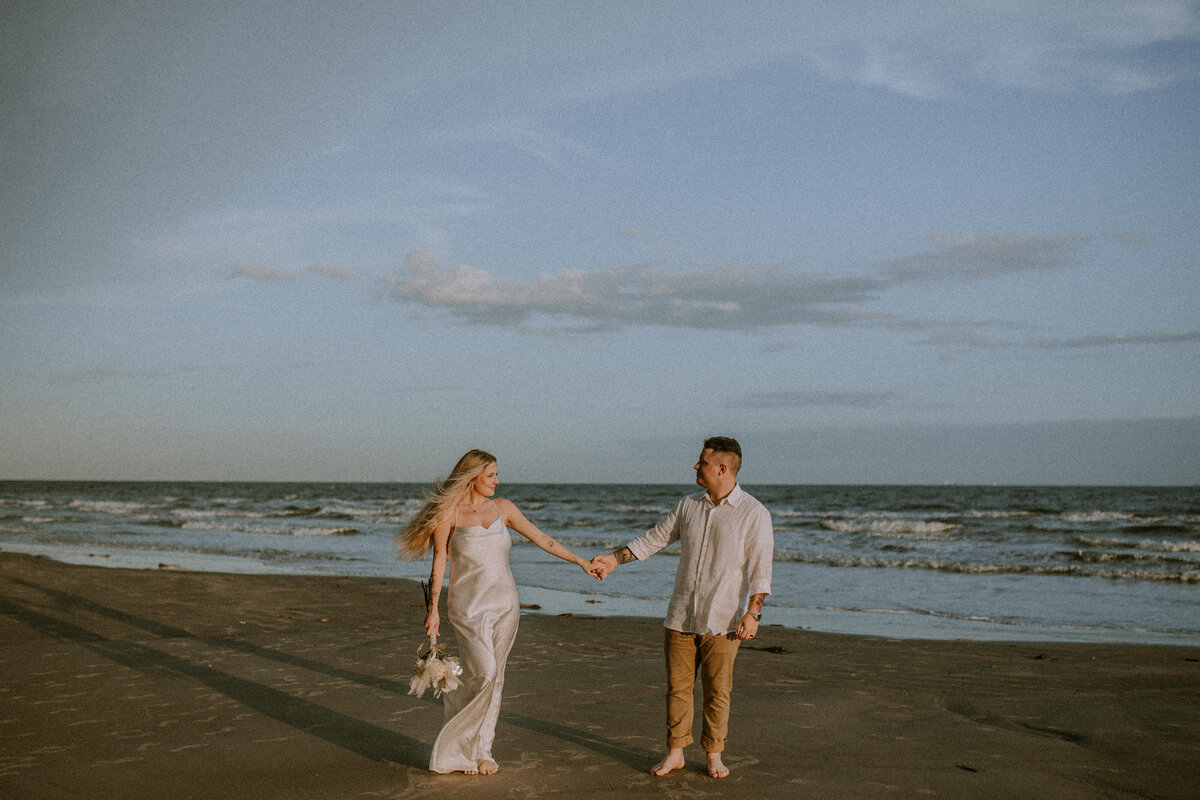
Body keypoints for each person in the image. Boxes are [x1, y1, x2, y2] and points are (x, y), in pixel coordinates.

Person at [397, 449, 603, 775]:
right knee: (486, 672)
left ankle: (483, 752)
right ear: (472, 475)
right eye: (491, 474)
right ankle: (457, 744)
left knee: (496, 677)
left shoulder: (503, 509)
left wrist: (580, 561)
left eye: (496, 474)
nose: (497, 480)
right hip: (467, 608)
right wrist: (432, 609)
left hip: (506, 605)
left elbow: (543, 539)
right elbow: (439, 563)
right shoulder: (448, 514)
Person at [591, 436, 773, 779]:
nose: (695, 466)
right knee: (677, 688)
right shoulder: (688, 505)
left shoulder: (754, 513)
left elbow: (761, 569)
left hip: (725, 620)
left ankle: (714, 755)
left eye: (702, 462)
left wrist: (753, 612)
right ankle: (675, 753)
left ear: (722, 468)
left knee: (718, 691)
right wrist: (614, 560)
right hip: (681, 615)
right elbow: (655, 538)